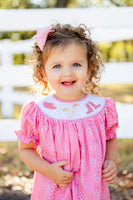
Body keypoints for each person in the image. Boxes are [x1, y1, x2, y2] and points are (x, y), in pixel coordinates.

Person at [15, 23, 118, 200]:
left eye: (76, 64)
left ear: (89, 69)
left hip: (91, 188)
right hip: (53, 188)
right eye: (57, 66)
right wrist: (48, 170)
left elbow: (110, 137)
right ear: (43, 73)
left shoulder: (100, 108)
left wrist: (111, 161)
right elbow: (25, 150)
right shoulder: (38, 111)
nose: (68, 73)